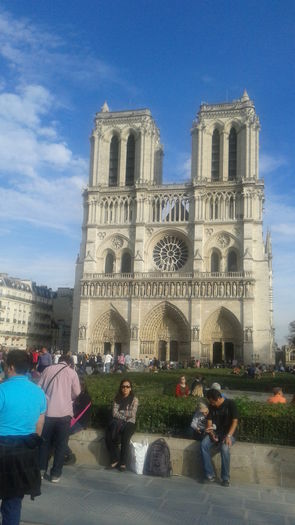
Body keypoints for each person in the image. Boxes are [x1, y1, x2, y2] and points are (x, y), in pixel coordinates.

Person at [0, 350, 46, 525]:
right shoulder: (38, 393)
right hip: (23, 452)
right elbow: (39, 427)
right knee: (13, 502)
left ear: (10, 367)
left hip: (2, 446)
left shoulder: (2, 390)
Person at [38, 354, 81, 482]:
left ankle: (41, 470)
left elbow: (39, 388)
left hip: (48, 413)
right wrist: (68, 397)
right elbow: (77, 393)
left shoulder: (47, 369)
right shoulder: (72, 373)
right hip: (64, 414)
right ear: (70, 363)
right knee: (61, 445)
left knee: (44, 443)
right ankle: (55, 474)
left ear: (59, 360)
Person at [200, 388, 238, 487]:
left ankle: (225, 478)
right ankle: (210, 475)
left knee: (224, 448)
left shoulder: (230, 404)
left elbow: (235, 422)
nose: (211, 404)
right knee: (204, 444)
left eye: (212, 402)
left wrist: (228, 436)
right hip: (216, 433)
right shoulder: (211, 407)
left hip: (229, 434)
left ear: (217, 399)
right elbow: (209, 423)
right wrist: (212, 434)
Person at [105, 379, 138, 471]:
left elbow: (132, 414)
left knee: (125, 438)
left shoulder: (134, 399)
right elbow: (114, 413)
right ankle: (114, 459)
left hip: (130, 423)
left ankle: (123, 463)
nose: (125, 388)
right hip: (118, 422)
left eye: (127, 387)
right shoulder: (117, 399)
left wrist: (122, 412)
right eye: (123, 386)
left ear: (130, 388)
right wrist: (123, 416)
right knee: (108, 436)